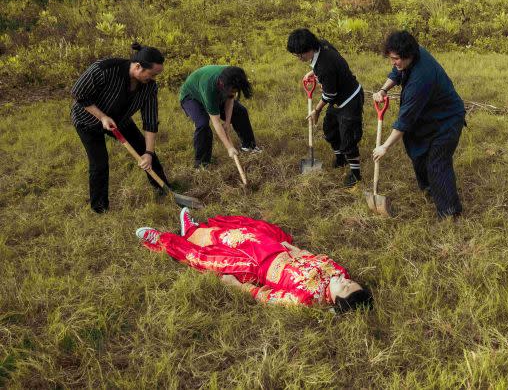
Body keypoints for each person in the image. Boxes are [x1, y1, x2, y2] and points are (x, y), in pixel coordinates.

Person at [136, 209, 373, 313]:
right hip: (276, 251)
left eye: (343, 286)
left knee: (210, 261)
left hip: (257, 268)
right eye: (349, 280)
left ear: (335, 302)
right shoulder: (337, 271)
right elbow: (310, 257)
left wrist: (239, 286)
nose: (342, 278)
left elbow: (267, 297)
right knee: (235, 234)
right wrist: (293, 249)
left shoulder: (305, 299)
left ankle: (164, 241)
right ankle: (192, 229)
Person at [372, 31, 466, 219]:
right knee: (418, 151)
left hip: (447, 119)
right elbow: (396, 72)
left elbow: (405, 120)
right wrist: (383, 90)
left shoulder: (420, 79)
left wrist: (385, 146)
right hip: (429, 116)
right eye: (391, 58)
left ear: (409, 55)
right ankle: (431, 189)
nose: (393, 62)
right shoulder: (412, 54)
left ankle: (449, 211)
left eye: (396, 58)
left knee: (437, 163)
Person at [70, 43, 171, 213]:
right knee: (99, 164)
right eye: (152, 74)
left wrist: (149, 153)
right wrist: (102, 117)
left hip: (120, 120)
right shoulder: (104, 69)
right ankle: (100, 209)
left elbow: (150, 120)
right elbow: (78, 93)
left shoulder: (149, 87)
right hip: (87, 120)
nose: (154, 79)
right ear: (138, 67)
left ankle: (165, 190)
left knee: (145, 150)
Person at [287, 28, 364, 187]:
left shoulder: (325, 67)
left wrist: (316, 110)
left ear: (308, 49)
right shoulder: (321, 45)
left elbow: (329, 95)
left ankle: (356, 174)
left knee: (348, 138)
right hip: (338, 99)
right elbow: (327, 69)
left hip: (349, 99)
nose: (298, 58)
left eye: (299, 55)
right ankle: (340, 158)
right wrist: (313, 72)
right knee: (330, 129)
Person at [178, 65, 261, 169]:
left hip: (214, 91)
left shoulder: (233, 76)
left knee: (240, 111)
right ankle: (202, 165)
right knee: (202, 124)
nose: (233, 93)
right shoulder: (209, 87)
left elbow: (230, 100)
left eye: (235, 91)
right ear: (223, 84)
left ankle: (249, 147)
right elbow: (216, 122)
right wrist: (229, 147)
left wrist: (227, 122)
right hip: (192, 97)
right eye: (232, 91)